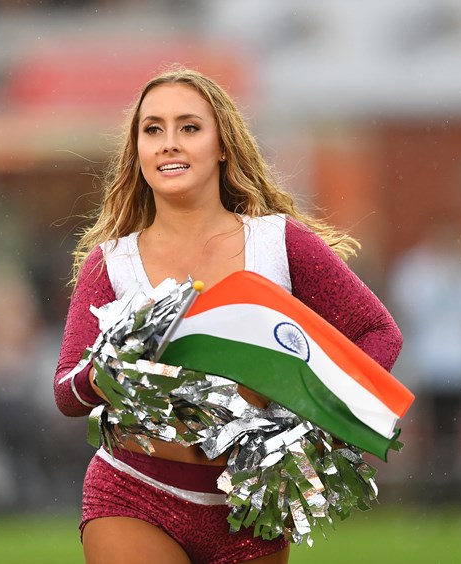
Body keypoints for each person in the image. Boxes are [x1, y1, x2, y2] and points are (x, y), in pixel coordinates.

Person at [54, 66, 402, 564]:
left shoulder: (277, 243)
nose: (169, 144)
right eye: (153, 130)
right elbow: (66, 390)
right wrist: (109, 374)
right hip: (133, 490)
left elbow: (377, 332)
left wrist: (312, 417)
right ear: (138, 151)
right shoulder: (112, 262)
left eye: (189, 127)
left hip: (249, 505)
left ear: (222, 145)